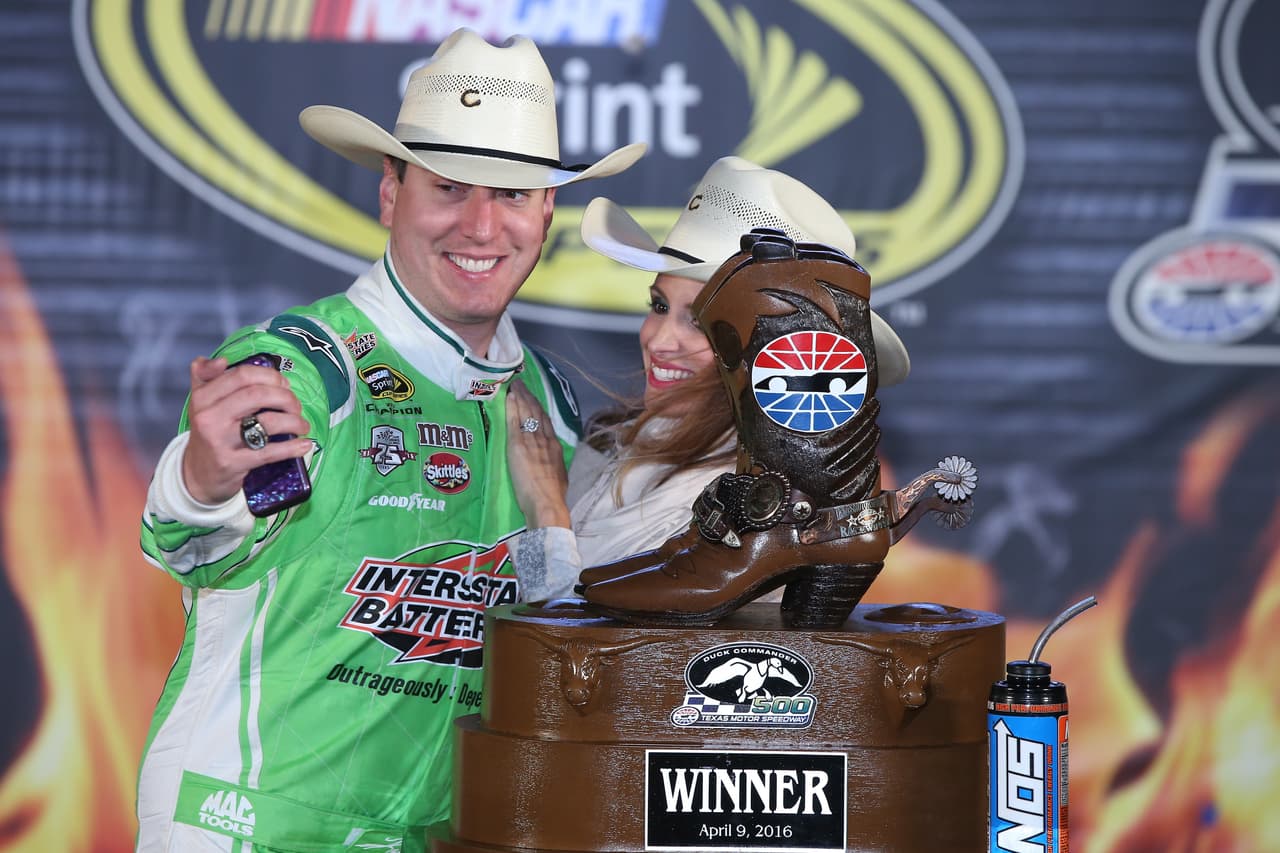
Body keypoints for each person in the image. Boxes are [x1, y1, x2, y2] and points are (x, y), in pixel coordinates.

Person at [135, 28, 643, 852]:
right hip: (251, 827)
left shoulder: (549, 399)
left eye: (512, 194)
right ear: (390, 193)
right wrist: (203, 477)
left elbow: (559, 643)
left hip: (441, 834)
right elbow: (195, 535)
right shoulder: (309, 364)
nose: (481, 225)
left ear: (547, 211)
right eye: (449, 187)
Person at [504, 156, 910, 602]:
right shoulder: (609, 441)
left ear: (779, 353)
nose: (660, 341)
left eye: (700, 321)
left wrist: (546, 510)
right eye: (659, 306)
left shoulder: (759, 510)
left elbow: (574, 641)